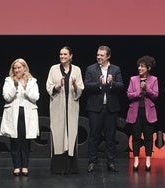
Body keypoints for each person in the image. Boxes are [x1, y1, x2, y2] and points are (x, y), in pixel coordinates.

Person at [85, 45, 124, 173]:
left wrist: (112, 83)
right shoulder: (91, 69)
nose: (99, 57)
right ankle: (92, 162)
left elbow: (121, 86)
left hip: (111, 108)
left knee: (111, 137)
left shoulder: (115, 69)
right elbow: (87, 86)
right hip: (95, 108)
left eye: (101, 55)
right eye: (98, 55)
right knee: (94, 136)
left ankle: (111, 162)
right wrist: (99, 84)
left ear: (108, 56)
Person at [46, 46, 84, 174]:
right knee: (58, 133)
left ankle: (71, 167)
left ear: (71, 56)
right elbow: (48, 86)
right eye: (61, 54)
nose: (62, 56)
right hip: (58, 106)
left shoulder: (77, 70)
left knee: (71, 132)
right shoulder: (53, 69)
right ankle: (58, 167)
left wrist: (73, 84)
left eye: (65, 54)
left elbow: (80, 89)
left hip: (72, 106)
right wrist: (58, 85)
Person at [0, 58, 39, 176]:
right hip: (13, 114)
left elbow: (35, 97)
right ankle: (16, 166)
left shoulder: (32, 81)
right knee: (15, 141)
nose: (16, 70)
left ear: (24, 68)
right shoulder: (8, 80)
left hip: (27, 114)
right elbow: (7, 97)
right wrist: (15, 86)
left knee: (26, 141)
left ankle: (25, 166)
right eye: (15, 68)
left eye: (19, 67)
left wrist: (25, 86)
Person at [126, 55, 158, 172]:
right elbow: (129, 94)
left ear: (148, 68)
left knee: (149, 137)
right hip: (135, 112)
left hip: (148, 112)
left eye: (142, 67)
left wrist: (147, 89)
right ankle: (136, 159)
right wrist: (140, 91)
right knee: (136, 137)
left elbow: (155, 95)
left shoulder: (154, 79)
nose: (139, 68)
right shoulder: (133, 79)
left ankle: (148, 159)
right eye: (139, 66)